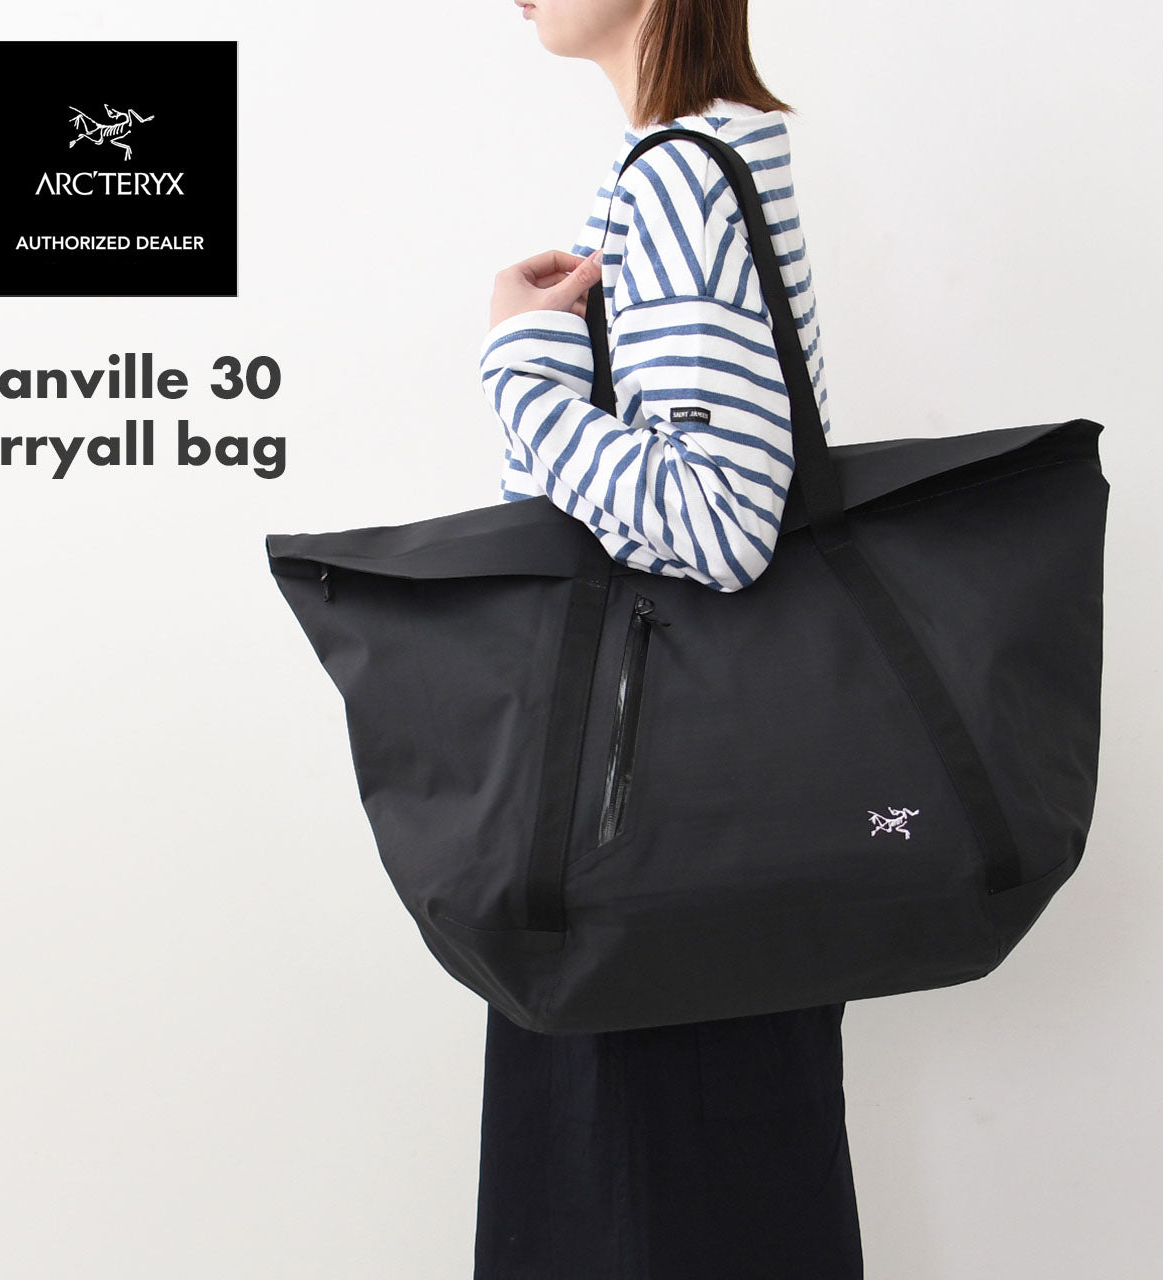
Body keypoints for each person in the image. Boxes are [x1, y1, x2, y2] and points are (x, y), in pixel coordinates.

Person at [473, 2, 865, 1277]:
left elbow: (720, 519)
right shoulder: (708, 156)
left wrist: (518, 369)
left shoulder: (681, 174)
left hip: (651, 837)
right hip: (705, 820)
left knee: (638, 1210)